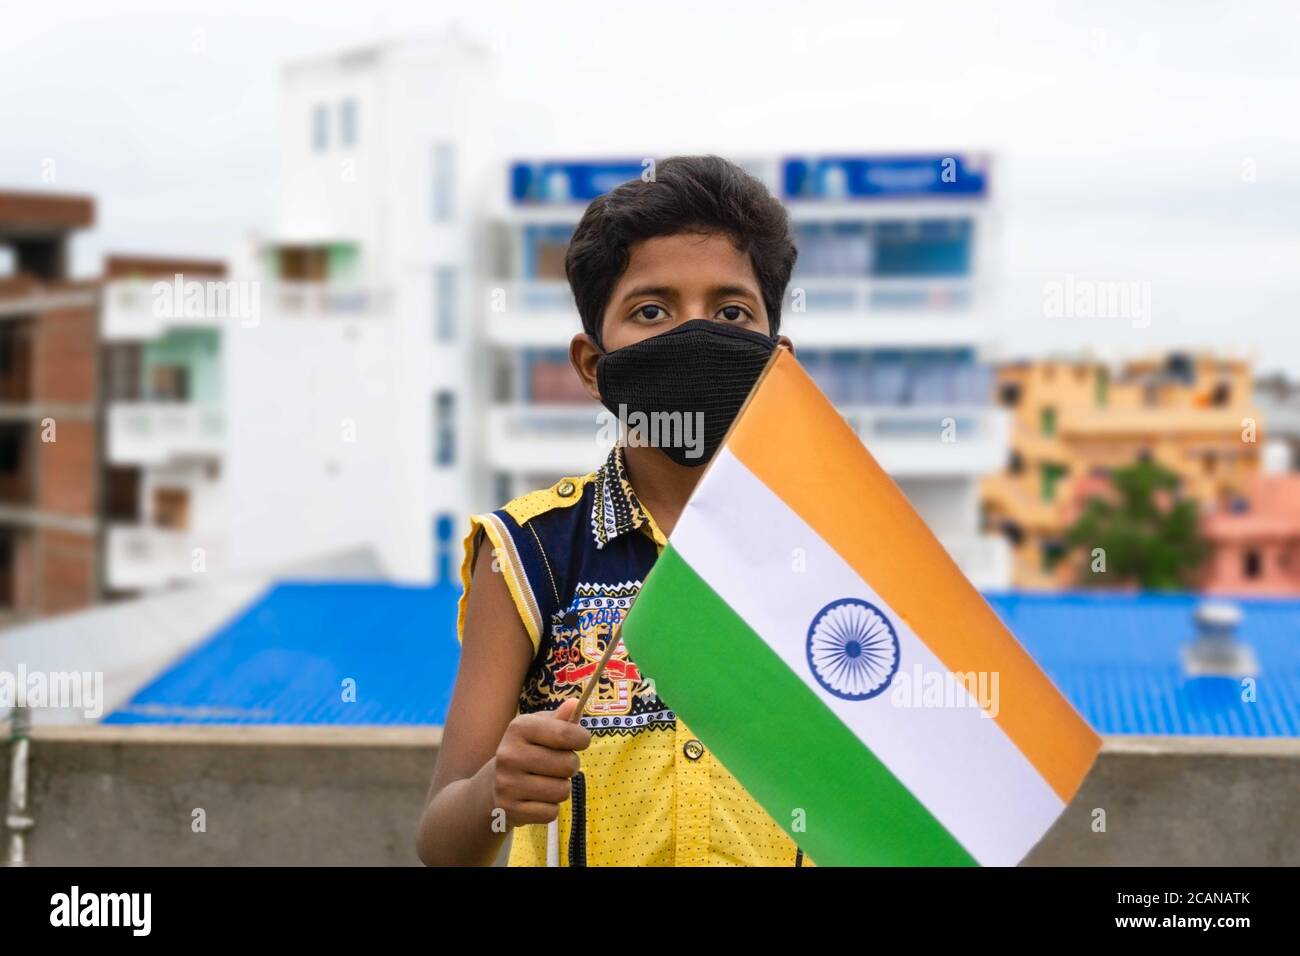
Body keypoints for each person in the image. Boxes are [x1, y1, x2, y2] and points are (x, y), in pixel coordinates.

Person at [416, 155, 808, 866]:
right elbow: (443, 845)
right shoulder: (529, 553)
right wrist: (494, 795)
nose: (693, 335)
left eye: (730, 311)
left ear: (775, 357)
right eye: (651, 310)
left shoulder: (832, 548)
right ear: (593, 366)